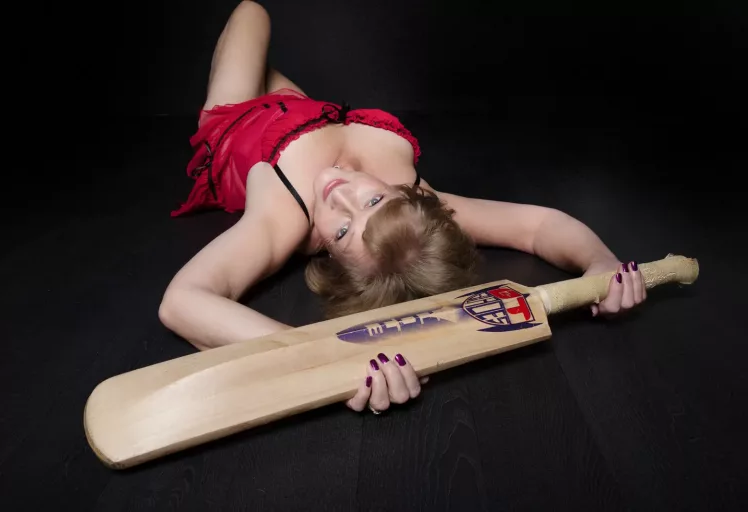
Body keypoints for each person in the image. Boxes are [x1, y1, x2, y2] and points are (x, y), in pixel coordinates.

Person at [159, 1, 646, 415]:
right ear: (407, 196)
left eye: (343, 231)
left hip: (240, 122)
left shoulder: (282, 219)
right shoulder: (423, 201)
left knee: (251, 11)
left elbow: (183, 302)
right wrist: (598, 263)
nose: (338, 191)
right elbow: (538, 226)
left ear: (328, 254)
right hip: (301, 108)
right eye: (374, 199)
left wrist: (325, 358)